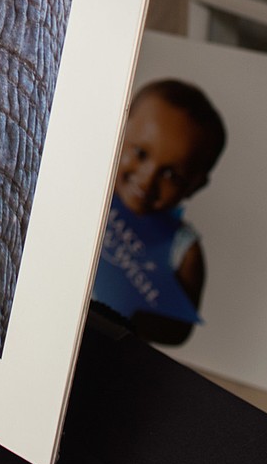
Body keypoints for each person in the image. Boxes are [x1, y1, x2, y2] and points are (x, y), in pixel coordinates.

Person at [92, 78, 226, 346]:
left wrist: (133, 306)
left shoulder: (183, 252)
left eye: (171, 175)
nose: (147, 179)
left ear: (195, 186)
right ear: (121, 127)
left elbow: (179, 331)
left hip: (110, 351)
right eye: (140, 153)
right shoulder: (90, 190)